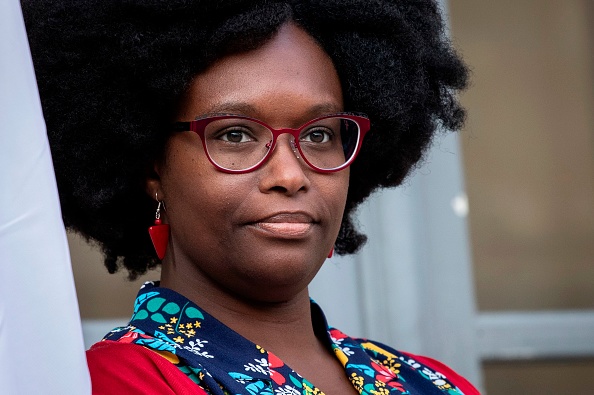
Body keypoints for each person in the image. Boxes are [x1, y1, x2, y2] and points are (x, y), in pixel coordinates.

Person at [23, 0, 476, 393]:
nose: (290, 174)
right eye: (235, 134)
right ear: (151, 166)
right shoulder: (113, 383)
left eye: (319, 134)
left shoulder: (432, 382)